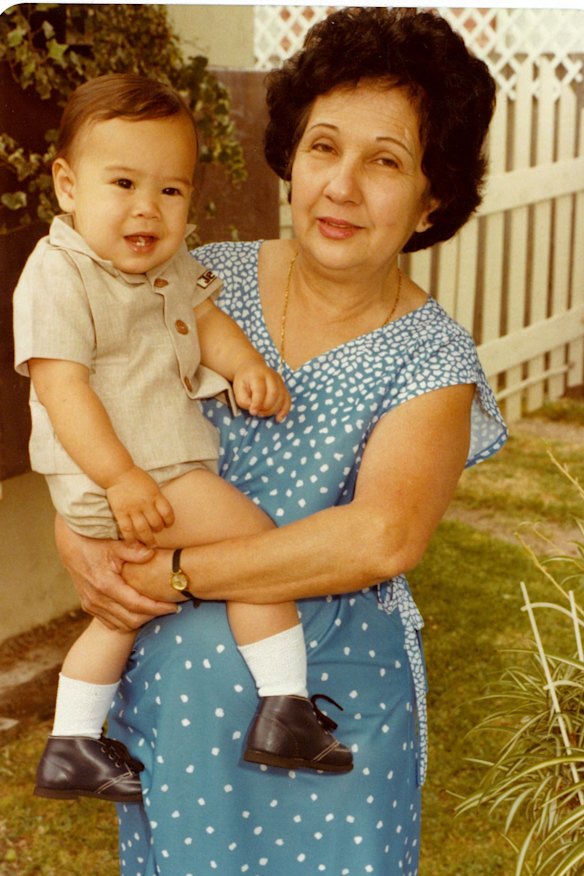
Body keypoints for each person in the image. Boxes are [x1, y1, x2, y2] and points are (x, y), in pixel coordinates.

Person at [53, 8, 508, 875]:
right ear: (291, 158)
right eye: (324, 147)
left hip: (337, 728)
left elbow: (382, 535)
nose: (341, 186)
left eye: (386, 162)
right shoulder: (189, 279)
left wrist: (175, 575)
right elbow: (77, 395)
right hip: (175, 719)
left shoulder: (433, 356)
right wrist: (75, 530)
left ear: (432, 197)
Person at [13, 73, 353, 804]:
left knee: (124, 608)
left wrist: (244, 367)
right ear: (67, 185)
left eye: (171, 190)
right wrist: (121, 479)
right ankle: (285, 709)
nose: (148, 207)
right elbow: (60, 389)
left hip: (139, 478)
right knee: (256, 551)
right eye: (125, 182)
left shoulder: (162, 263)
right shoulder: (58, 276)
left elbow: (203, 318)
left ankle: (71, 742)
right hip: (139, 475)